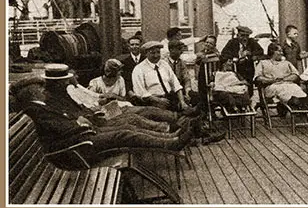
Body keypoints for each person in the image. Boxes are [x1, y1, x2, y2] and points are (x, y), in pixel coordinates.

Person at [10, 64, 194, 155]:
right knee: (124, 134)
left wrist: (89, 115)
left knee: (129, 126)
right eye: (65, 80)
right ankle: (171, 142)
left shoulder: (57, 97)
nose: (69, 82)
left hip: (87, 131)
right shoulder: (40, 107)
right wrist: (79, 122)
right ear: (57, 84)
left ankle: (170, 137)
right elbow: (62, 128)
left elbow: (76, 112)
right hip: (77, 145)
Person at [250, 43, 308, 113]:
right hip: (272, 86)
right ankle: (294, 101)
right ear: (272, 51)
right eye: (279, 51)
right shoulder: (263, 63)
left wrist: (284, 79)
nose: (282, 53)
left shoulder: (286, 63)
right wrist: (272, 80)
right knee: (282, 89)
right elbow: (258, 77)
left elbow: (296, 75)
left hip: (288, 83)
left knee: (295, 88)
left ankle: (301, 100)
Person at [131, 41, 191, 112]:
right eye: (152, 53)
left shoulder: (164, 64)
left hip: (169, 98)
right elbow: (140, 92)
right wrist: (158, 100)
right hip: (152, 102)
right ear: (146, 53)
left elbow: (176, 85)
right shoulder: (139, 69)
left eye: (158, 52)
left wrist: (182, 102)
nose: (156, 55)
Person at [221, 25, 264, 96]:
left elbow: (260, 51)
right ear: (237, 35)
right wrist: (235, 58)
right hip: (235, 68)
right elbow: (223, 55)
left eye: (247, 36)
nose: (244, 38)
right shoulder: (232, 42)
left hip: (248, 69)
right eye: (242, 35)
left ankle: (247, 101)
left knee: (249, 89)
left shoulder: (251, 42)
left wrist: (250, 54)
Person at [168, 39, 199, 106]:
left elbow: (186, 78)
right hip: (170, 92)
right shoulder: (164, 63)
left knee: (198, 97)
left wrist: (188, 90)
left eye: (181, 49)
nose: (181, 52)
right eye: (179, 49)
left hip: (182, 90)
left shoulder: (181, 62)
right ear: (171, 50)